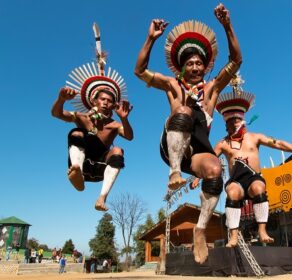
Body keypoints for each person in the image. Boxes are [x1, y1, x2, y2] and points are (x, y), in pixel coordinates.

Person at [134, 3, 241, 264]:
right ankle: (173, 173)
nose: (194, 66)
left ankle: (201, 228)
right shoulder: (173, 85)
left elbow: (236, 60)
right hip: (172, 145)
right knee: (182, 111)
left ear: (205, 67)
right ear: (182, 67)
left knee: (215, 169)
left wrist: (227, 26)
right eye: (190, 63)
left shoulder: (213, 90)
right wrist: (150, 38)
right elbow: (139, 71)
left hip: (197, 152)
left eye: (199, 63)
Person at [211, 91, 292, 247]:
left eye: (236, 120)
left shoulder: (255, 137)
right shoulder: (223, 143)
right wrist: (198, 177)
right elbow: (210, 160)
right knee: (232, 192)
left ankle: (262, 231)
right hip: (236, 180)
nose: (233, 124)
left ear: (242, 121)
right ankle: (234, 236)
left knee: (258, 188)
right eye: (229, 122)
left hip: (253, 178)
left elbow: (277, 143)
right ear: (226, 125)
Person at [52, 24, 133, 211]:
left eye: (109, 101)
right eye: (102, 99)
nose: (105, 102)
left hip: (99, 169)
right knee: (77, 132)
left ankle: (102, 198)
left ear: (113, 105)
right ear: (94, 101)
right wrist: (61, 99)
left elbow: (129, 136)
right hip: (81, 163)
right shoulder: (82, 117)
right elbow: (56, 114)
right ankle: (77, 172)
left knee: (118, 149)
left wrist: (125, 119)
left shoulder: (113, 125)